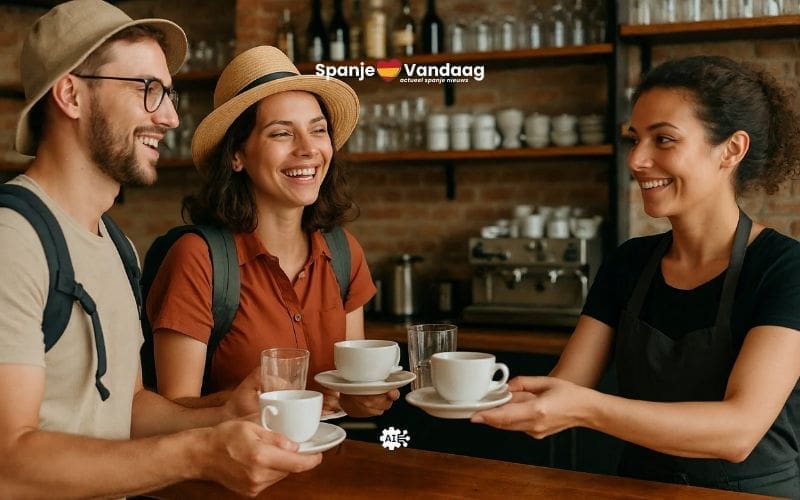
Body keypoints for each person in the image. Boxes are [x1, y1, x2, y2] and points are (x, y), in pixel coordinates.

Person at [0, 2, 320, 497]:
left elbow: (126, 409)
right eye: (148, 90)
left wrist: (221, 413)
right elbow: (8, 463)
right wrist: (200, 453)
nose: (170, 117)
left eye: (167, 94)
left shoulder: (116, 245)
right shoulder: (14, 240)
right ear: (71, 94)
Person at [472, 55, 800, 496]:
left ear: (731, 150)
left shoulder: (784, 268)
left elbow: (738, 432)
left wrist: (587, 410)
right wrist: (468, 396)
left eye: (663, 139)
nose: (638, 160)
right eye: (635, 139)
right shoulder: (628, 263)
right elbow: (565, 387)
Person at [146, 45, 398, 418]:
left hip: (327, 465)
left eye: (318, 131)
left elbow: (349, 391)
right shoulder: (199, 258)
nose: (308, 149)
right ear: (237, 155)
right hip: (229, 471)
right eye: (282, 134)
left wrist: (362, 400)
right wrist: (238, 402)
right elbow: (171, 413)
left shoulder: (344, 252)